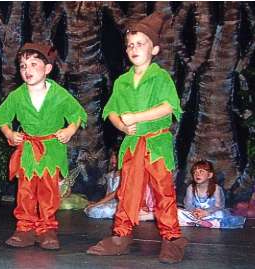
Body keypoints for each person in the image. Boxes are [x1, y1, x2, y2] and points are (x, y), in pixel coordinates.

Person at [86, 12, 188, 263]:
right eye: (130, 44)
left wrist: (138, 117)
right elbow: (110, 110)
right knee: (127, 190)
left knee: (163, 190)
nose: (133, 48)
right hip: (132, 145)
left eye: (140, 43)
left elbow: (170, 107)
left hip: (156, 143)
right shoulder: (122, 82)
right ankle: (121, 235)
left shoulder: (160, 77)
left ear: (154, 49)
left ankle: (173, 238)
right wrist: (122, 125)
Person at [0, 43, 87, 250]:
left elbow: (77, 114)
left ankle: (47, 229)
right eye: (23, 65)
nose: (27, 70)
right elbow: (2, 118)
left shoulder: (59, 94)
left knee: (48, 191)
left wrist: (70, 130)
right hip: (27, 149)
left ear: (48, 68)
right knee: (25, 190)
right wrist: (10, 133)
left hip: (51, 149)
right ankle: (24, 228)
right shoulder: (17, 95)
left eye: (34, 64)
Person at [85, 151, 154, 220]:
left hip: (123, 202)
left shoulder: (125, 173)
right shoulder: (110, 174)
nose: (113, 160)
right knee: (91, 209)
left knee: (105, 210)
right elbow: (108, 193)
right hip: (112, 202)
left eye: (115, 158)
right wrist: (100, 203)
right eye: (112, 158)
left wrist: (98, 203)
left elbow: (115, 193)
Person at [178, 160, 246, 229]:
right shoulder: (190, 188)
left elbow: (218, 206)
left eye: (201, 171)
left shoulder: (216, 188)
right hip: (196, 213)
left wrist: (206, 212)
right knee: (178, 211)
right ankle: (197, 221)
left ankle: (210, 223)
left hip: (210, 213)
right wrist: (194, 211)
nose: (197, 174)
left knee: (220, 214)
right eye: (194, 172)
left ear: (210, 175)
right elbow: (188, 204)